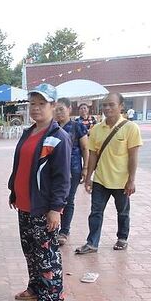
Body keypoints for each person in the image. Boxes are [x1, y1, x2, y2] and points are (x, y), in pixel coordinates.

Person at [7, 83, 71, 301]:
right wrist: (14, 191)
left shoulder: (58, 138)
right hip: (26, 204)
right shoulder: (29, 132)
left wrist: (56, 209)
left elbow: (63, 178)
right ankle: (35, 288)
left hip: (43, 207)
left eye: (42, 104)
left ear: (53, 106)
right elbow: (21, 167)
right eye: (32, 104)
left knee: (46, 253)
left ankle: (51, 299)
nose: (36, 108)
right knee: (31, 250)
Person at [75, 92, 142, 254]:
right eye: (105, 105)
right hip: (101, 180)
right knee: (95, 212)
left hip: (121, 181)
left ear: (121, 106)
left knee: (123, 212)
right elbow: (93, 155)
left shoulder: (131, 128)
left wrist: (131, 180)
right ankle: (92, 243)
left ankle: (122, 238)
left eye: (111, 104)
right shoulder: (96, 129)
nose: (107, 108)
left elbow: (133, 156)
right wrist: (89, 176)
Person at [54, 98, 89, 246]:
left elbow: (85, 148)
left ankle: (64, 230)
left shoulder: (77, 126)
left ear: (69, 109)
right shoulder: (52, 127)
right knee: (55, 198)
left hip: (73, 168)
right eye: (56, 109)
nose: (58, 112)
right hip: (55, 170)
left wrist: (85, 168)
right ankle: (53, 228)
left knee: (68, 199)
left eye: (61, 109)